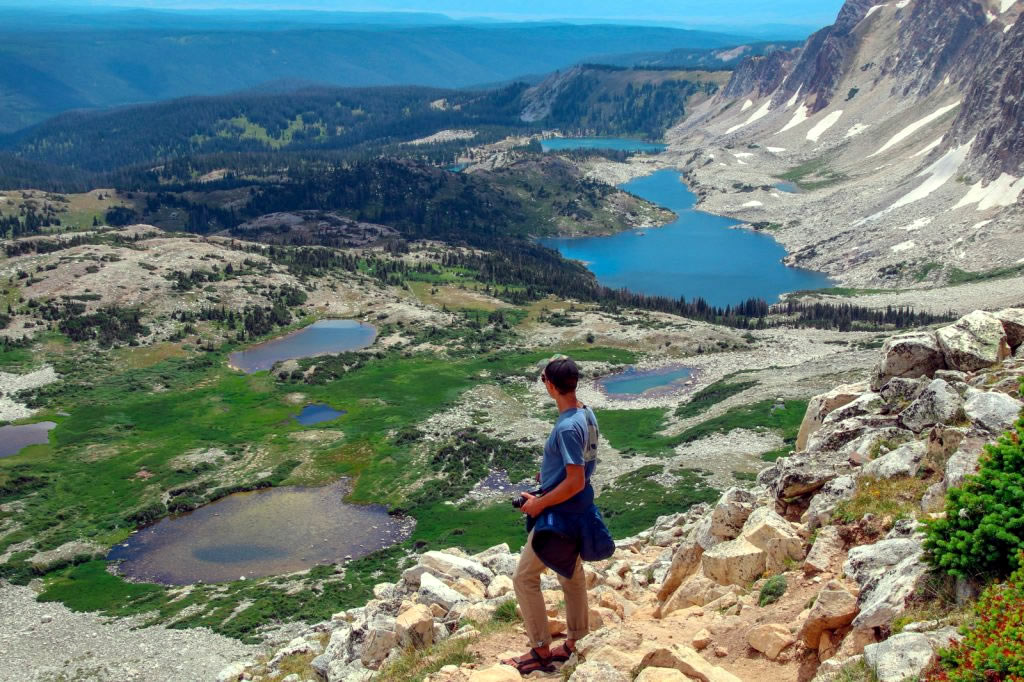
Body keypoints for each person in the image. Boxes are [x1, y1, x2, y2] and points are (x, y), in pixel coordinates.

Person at [503, 355, 599, 675]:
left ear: (550, 386)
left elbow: (576, 479)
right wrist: (550, 474)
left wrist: (541, 503)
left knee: (525, 577)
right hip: (577, 508)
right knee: (570, 573)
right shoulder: (586, 413)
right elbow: (578, 469)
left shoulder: (567, 427)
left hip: (559, 515)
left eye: (544, 378)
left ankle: (541, 650)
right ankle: (577, 640)